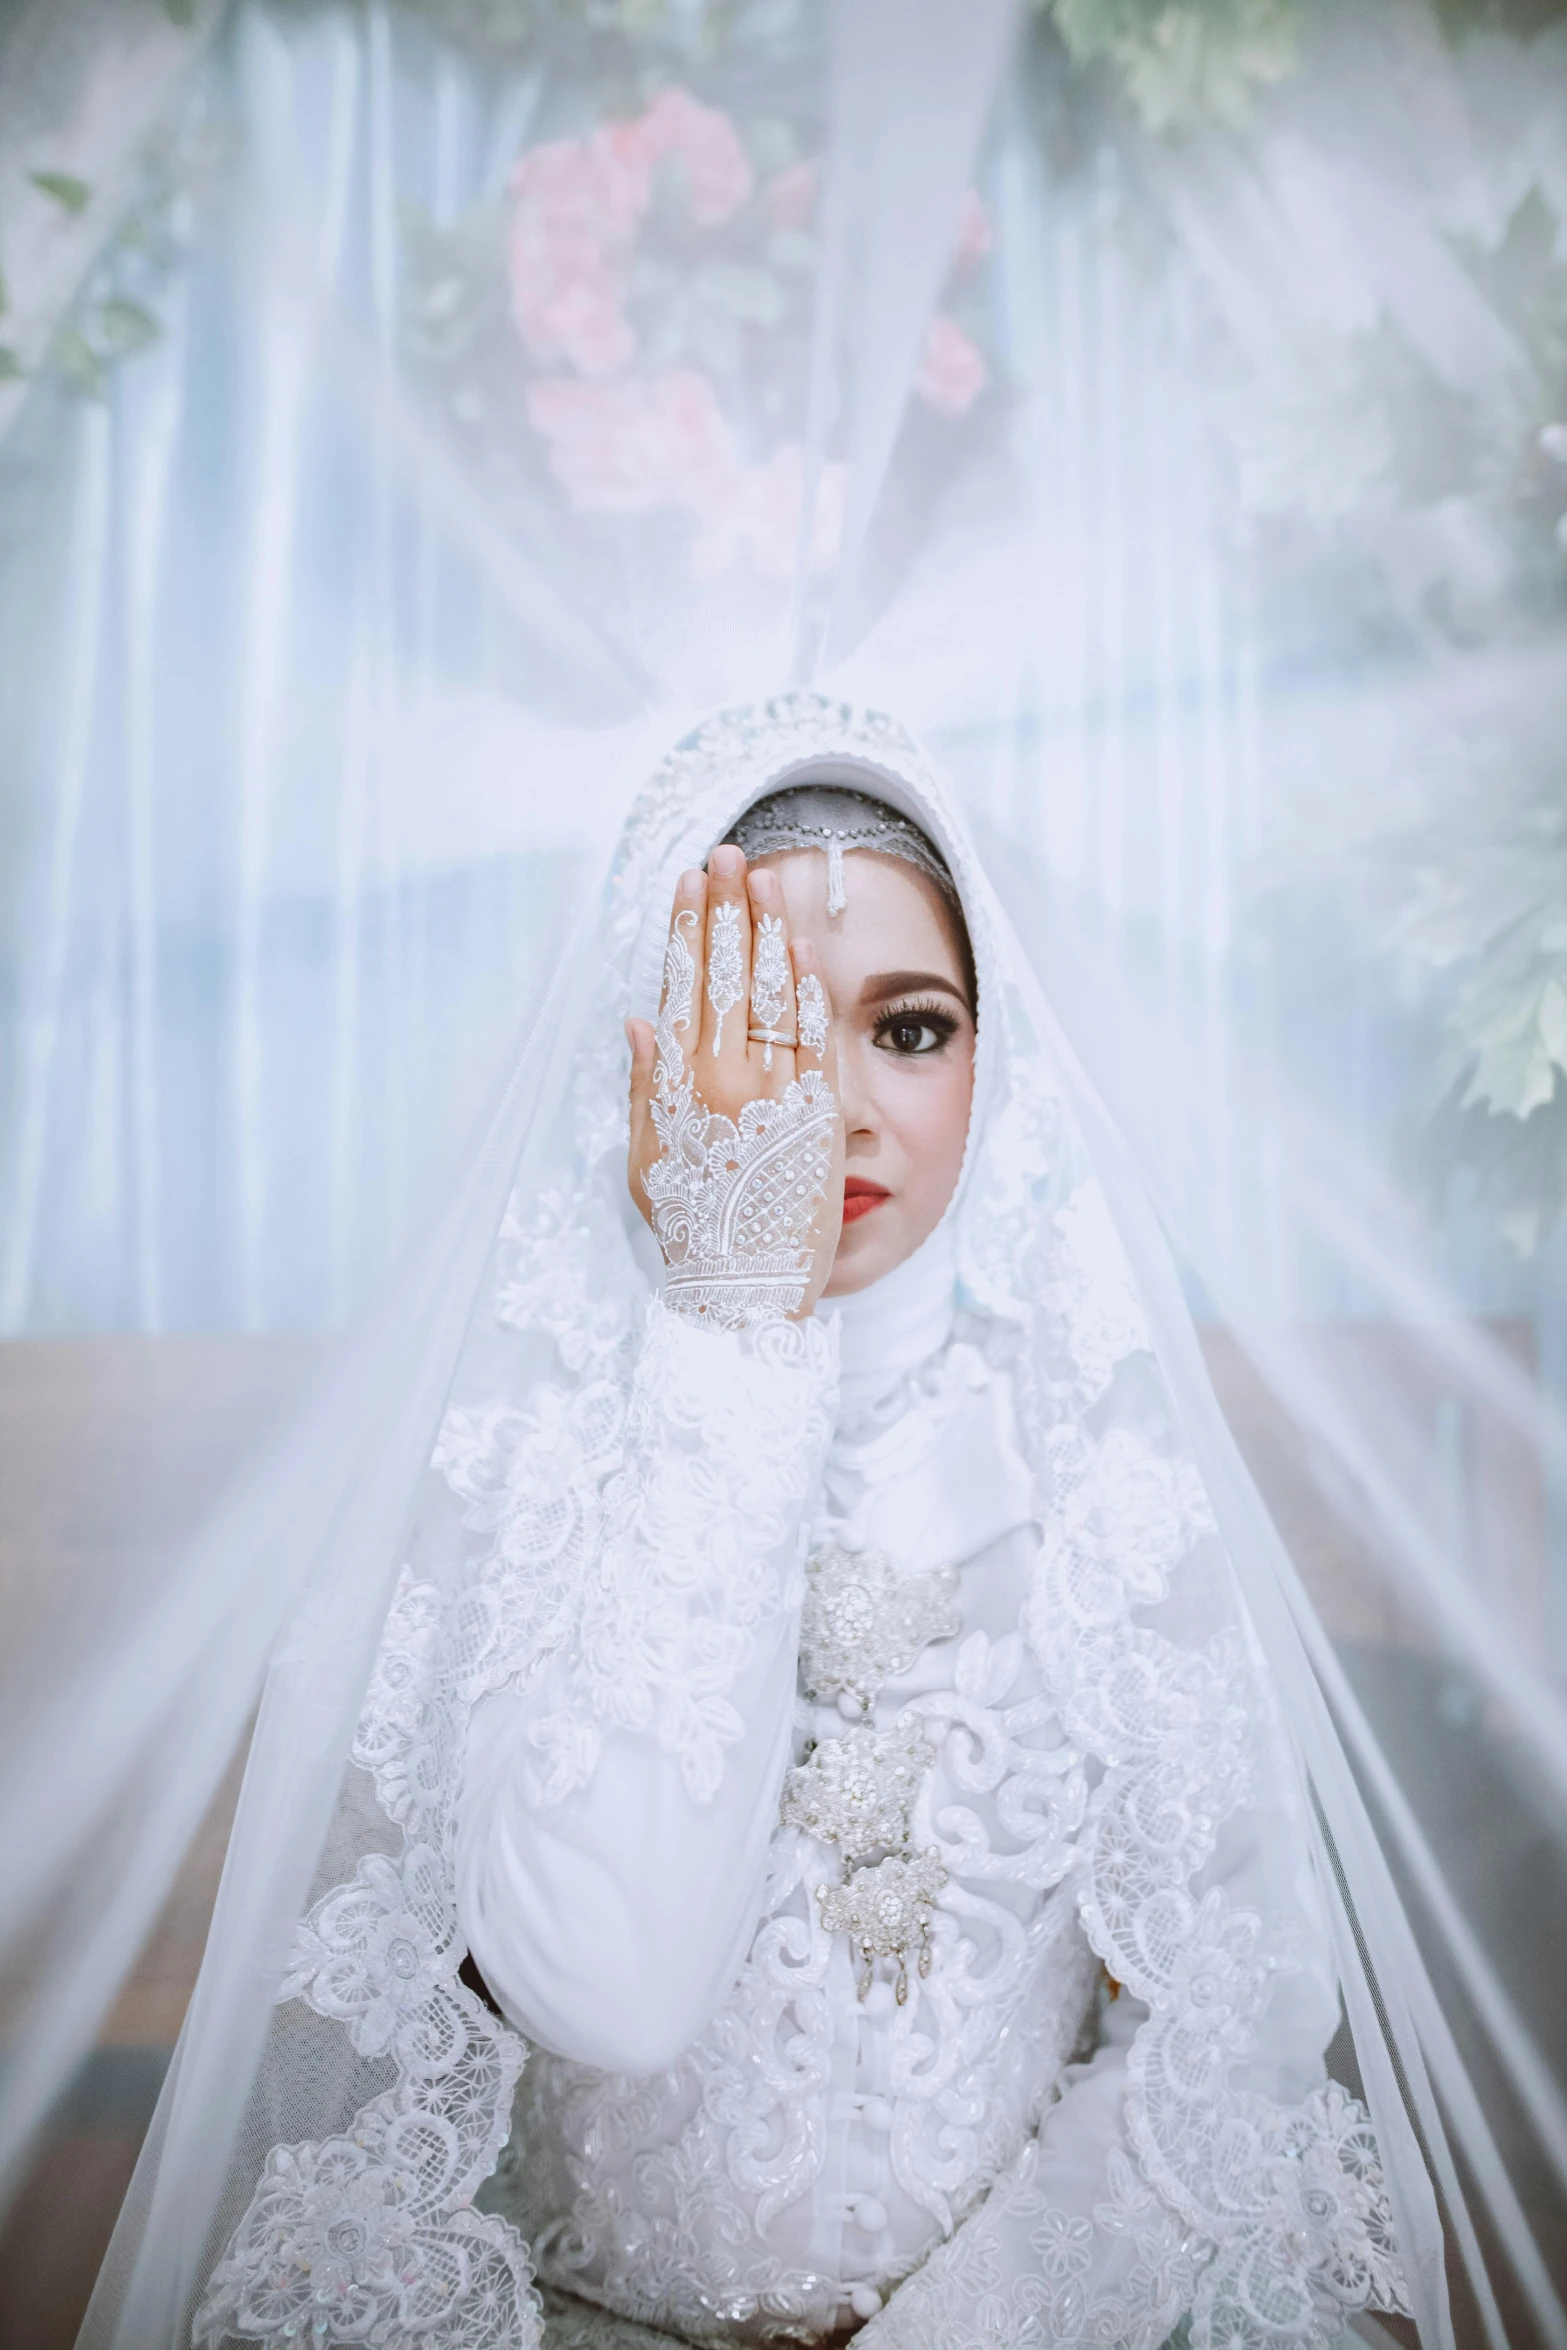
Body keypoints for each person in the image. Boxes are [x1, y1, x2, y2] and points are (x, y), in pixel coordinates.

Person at [190, 696, 1410, 2350]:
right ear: (639, 1050)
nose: (821, 1109)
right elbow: (612, 1989)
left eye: (905, 1028)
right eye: (751, 1027)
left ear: (995, 1056)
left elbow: (1224, 2036)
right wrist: (729, 1325)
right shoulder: (531, 1448)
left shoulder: (1091, 1454)